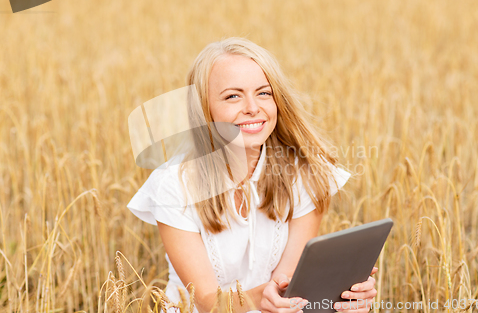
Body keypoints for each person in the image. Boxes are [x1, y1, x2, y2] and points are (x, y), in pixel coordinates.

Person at [127, 37, 377, 313]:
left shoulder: (306, 174)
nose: (252, 107)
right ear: (202, 109)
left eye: (264, 93)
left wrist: (341, 296)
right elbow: (208, 302)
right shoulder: (173, 184)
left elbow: (288, 288)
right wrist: (267, 296)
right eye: (233, 96)